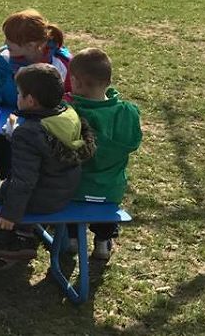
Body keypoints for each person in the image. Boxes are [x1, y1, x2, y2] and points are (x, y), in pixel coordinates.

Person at [0, 63, 95, 261]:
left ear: (30, 101)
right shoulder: (68, 115)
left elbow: (24, 181)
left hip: (41, 198)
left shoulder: (28, 132)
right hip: (64, 193)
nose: (17, 97)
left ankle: (19, 238)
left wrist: (10, 215)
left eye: (19, 93)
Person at [67, 48, 142, 260]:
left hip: (76, 189)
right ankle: (103, 242)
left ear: (76, 82)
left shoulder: (71, 112)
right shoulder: (127, 112)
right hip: (112, 189)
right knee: (106, 204)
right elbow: (134, 141)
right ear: (108, 81)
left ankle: (72, 238)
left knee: (70, 197)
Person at [0, 9, 72, 178]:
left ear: (30, 46)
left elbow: (67, 100)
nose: (5, 43)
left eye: (11, 41)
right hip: (16, 119)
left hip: (51, 128)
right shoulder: (6, 58)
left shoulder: (60, 64)